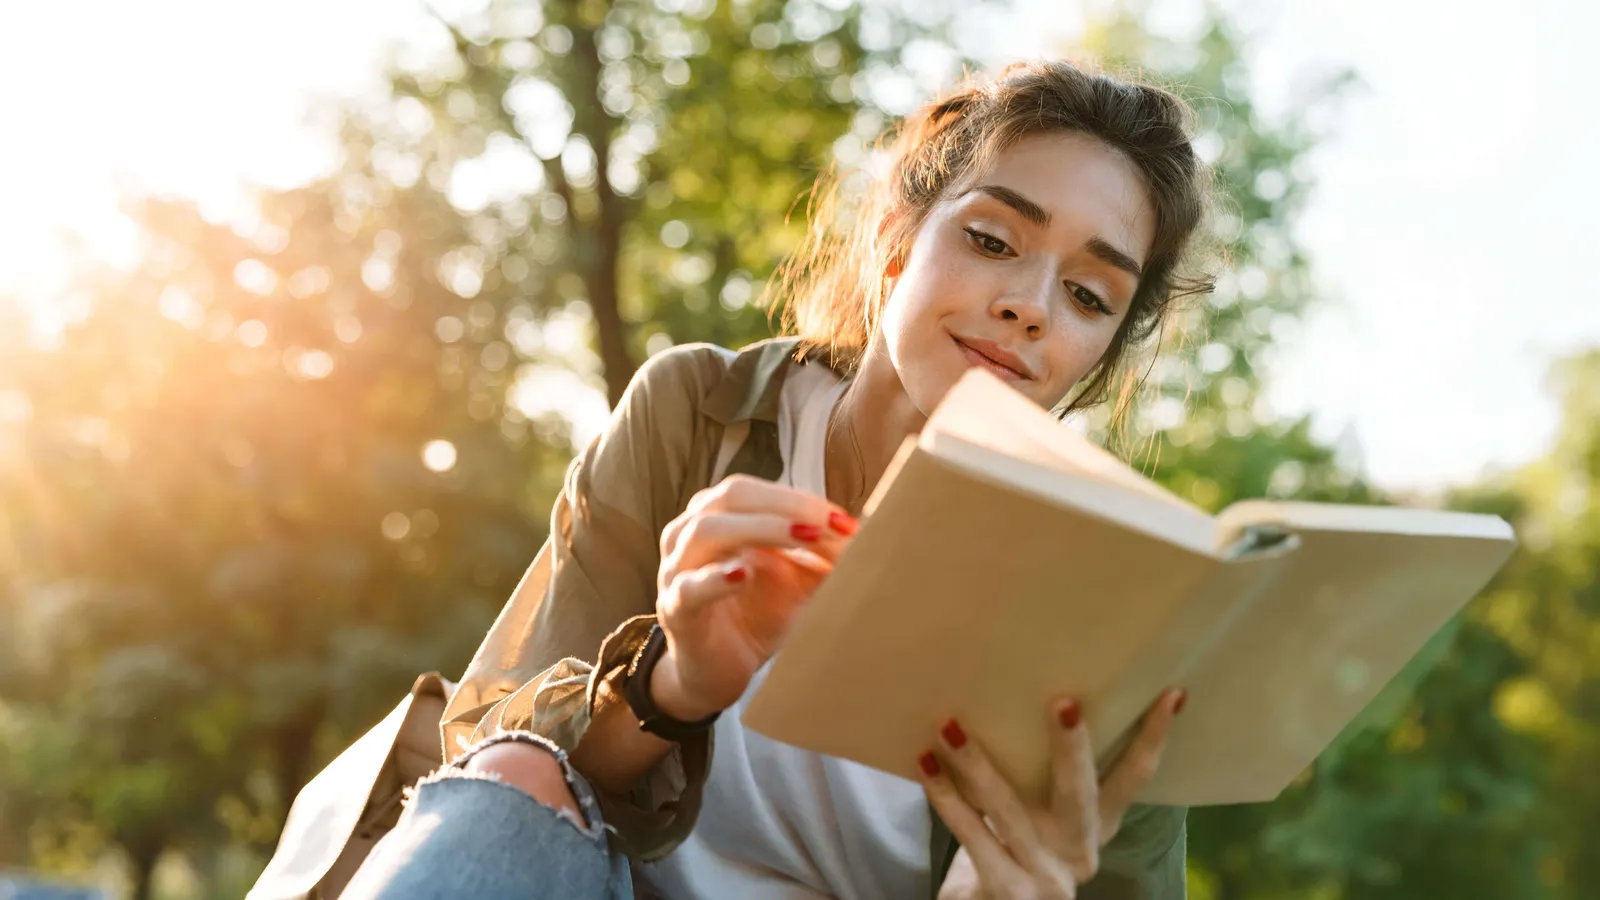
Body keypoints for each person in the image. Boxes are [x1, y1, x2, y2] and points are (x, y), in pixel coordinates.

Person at [342, 57, 1213, 900]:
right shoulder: (698, 413)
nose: (1031, 303)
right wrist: (675, 685)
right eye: (992, 240)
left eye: (1090, 296)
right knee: (521, 770)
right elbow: (489, 764)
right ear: (895, 240)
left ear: (1100, 353)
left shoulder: (1107, 604)